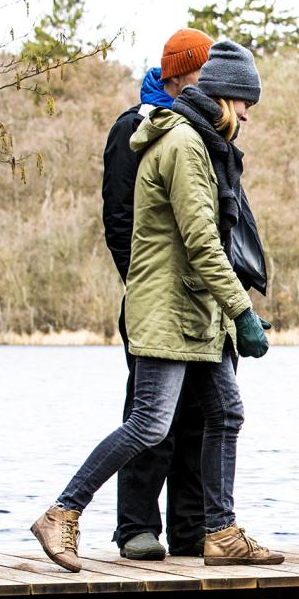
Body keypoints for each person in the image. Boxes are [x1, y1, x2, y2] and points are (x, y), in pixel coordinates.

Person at [33, 39, 280, 573]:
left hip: (199, 310)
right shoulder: (185, 146)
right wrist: (242, 311)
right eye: (243, 104)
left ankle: (221, 532)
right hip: (170, 308)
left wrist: (230, 310)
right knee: (149, 424)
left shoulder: (201, 141)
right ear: (219, 97)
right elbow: (201, 243)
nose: (245, 116)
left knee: (226, 412)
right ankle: (62, 512)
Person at [102, 29, 213, 561]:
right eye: (204, 72)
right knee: (151, 419)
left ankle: (192, 528)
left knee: (201, 413)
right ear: (182, 74)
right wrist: (143, 284)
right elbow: (119, 220)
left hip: (203, 301)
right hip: (153, 297)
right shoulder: (134, 128)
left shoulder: (204, 129)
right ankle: (136, 529)